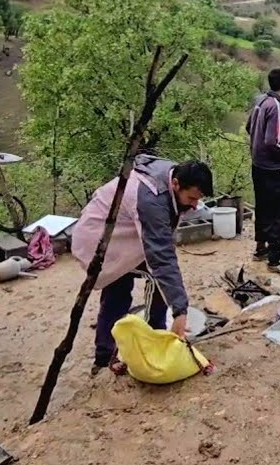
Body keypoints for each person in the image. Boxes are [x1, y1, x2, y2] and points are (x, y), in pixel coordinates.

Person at [71, 155, 213, 373]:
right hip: (101, 237)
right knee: (118, 290)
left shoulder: (172, 174)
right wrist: (180, 310)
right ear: (175, 184)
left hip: (128, 234)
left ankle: (158, 333)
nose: (195, 206)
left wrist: (177, 308)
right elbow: (162, 257)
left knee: (160, 282)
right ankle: (104, 357)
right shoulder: (151, 199)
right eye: (191, 198)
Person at [246, 68, 280, 275]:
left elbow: (250, 127)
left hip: (257, 164)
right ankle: (275, 258)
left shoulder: (260, 101)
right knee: (279, 212)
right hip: (271, 168)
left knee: (263, 206)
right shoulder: (276, 106)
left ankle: (260, 248)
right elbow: (272, 141)